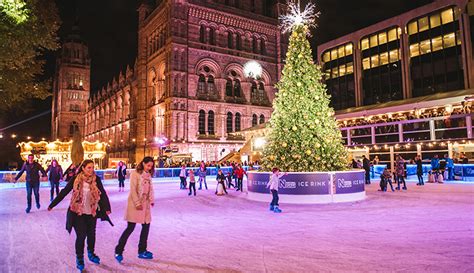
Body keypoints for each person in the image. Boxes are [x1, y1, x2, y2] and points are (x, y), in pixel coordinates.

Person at [48, 160, 112, 271]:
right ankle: (80, 258)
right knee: (81, 235)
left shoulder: (96, 179)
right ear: (83, 168)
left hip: (92, 211)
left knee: (91, 234)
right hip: (78, 212)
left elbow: (102, 193)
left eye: (92, 167)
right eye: (89, 167)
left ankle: (91, 253)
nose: (91, 170)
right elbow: (64, 192)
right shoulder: (76, 179)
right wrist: (52, 204)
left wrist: (107, 208)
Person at [115, 157, 155, 263]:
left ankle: (142, 250)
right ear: (143, 164)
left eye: (151, 166)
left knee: (146, 227)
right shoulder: (135, 174)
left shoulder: (148, 175)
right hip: (135, 204)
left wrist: (151, 200)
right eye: (148, 165)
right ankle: (118, 250)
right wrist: (137, 203)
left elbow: (151, 188)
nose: (149, 168)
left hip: (145, 205)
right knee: (130, 228)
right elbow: (133, 190)